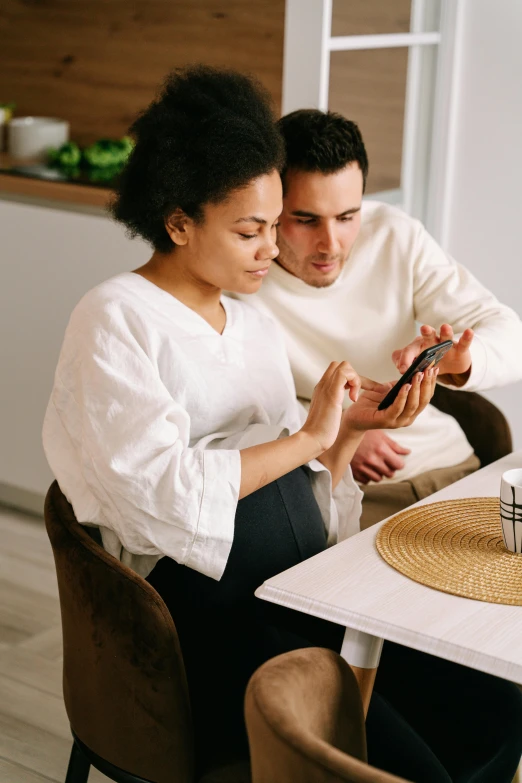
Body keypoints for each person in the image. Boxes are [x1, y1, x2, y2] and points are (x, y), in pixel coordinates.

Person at [42, 68, 522, 783]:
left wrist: (347, 431)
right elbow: (163, 500)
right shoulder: (115, 318)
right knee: (414, 764)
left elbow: (309, 496)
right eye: (250, 230)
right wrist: (304, 438)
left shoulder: (253, 320)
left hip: (296, 589)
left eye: (273, 226)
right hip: (206, 619)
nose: (274, 249)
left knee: (494, 707)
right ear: (178, 221)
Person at [243, 108, 522, 529]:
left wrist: (461, 361)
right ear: (274, 206)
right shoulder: (240, 278)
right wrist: (341, 431)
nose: (330, 244)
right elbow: (232, 416)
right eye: (305, 220)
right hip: (349, 495)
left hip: (454, 468)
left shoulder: (394, 234)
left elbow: (508, 333)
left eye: (347, 217)